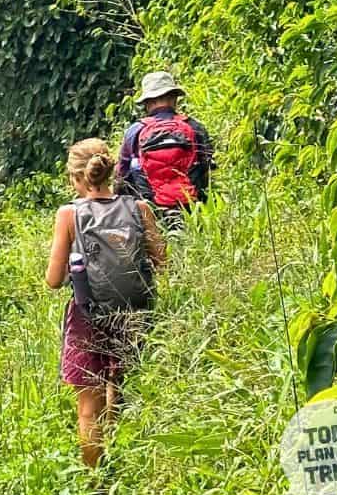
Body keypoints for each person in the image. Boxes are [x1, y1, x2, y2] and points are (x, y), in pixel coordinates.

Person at [46, 139, 166, 468]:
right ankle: (122, 457)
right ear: (110, 170)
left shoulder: (69, 214)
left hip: (88, 316)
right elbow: (162, 261)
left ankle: (97, 482)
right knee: (120, 386)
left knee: (88, 410)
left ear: (76, 178)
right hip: (133, 313)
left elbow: (53, 280)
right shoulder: (139, 209)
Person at [116, 71, 213, 226]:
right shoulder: (194, 127)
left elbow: (121, 175)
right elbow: (208, 167)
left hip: (150, 210)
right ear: (174, 99)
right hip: (192, 207)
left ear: (147, 103)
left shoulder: (135, 131)